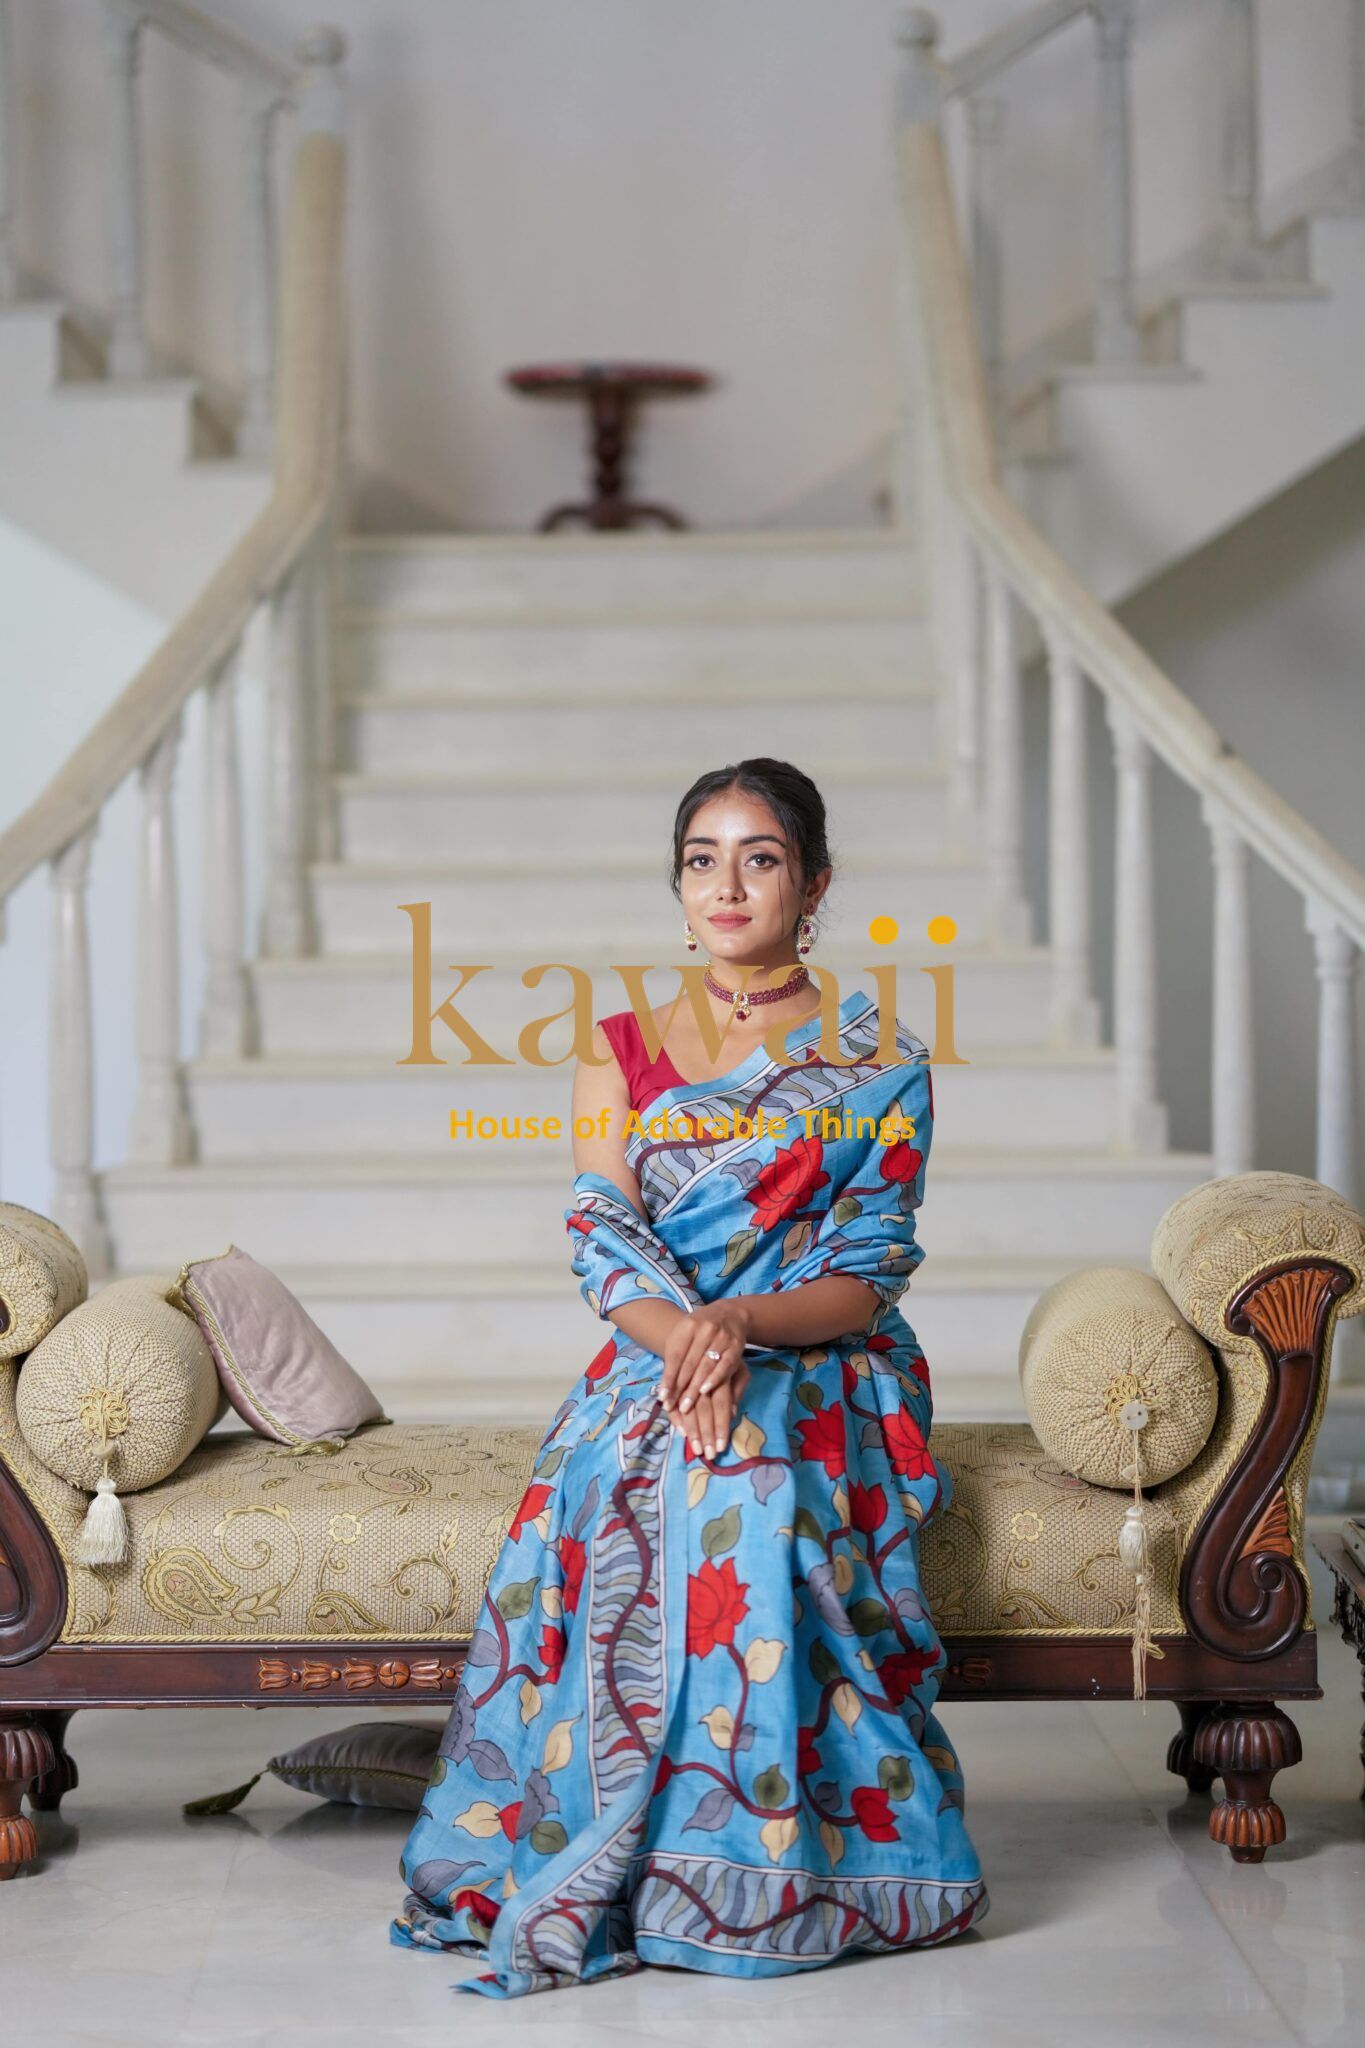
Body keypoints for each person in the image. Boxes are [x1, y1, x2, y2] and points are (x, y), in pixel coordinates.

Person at [389, 756, 990, 1996]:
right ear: (678, 885)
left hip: (823, 1356)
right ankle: (632, 1853)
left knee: (751, 1483)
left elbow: (869, 1266)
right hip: (655, 1349)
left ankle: (766, 1862)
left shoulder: (879, 1056)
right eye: (702, 859)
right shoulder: (617, 1046)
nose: (728, 884)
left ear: (813, 883)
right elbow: (602, 1233)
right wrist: (688, 1343)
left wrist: (740, 1324)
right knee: (621, 1467)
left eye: (760, 858)